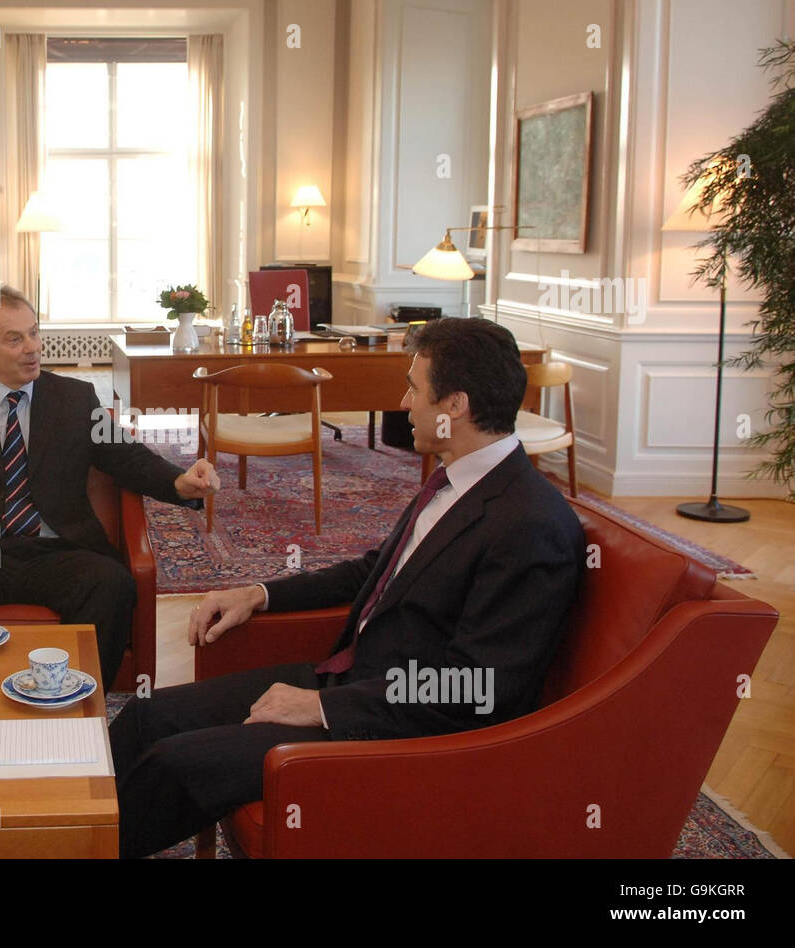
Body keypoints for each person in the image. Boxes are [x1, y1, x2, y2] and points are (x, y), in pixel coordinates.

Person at [109, 317, 586, 858]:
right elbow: (373, 570)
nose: (405, 402)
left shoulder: (529, 526)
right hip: (350, 681)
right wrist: (259, 593)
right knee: (149, 716)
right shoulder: (456, 479)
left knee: (176, 765)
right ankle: (56, 827)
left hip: (397, 730)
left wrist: (322, 709)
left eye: (415, 388)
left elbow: (478, 687)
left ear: (455, 405)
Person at [0, 284, 219, 687]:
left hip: (56, 551)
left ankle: (76, 704)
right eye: (15, 338)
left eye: (34, 333)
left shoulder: (74, 398)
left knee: (110, 583)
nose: (32, 347)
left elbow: (125, 457)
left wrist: (179, 481)